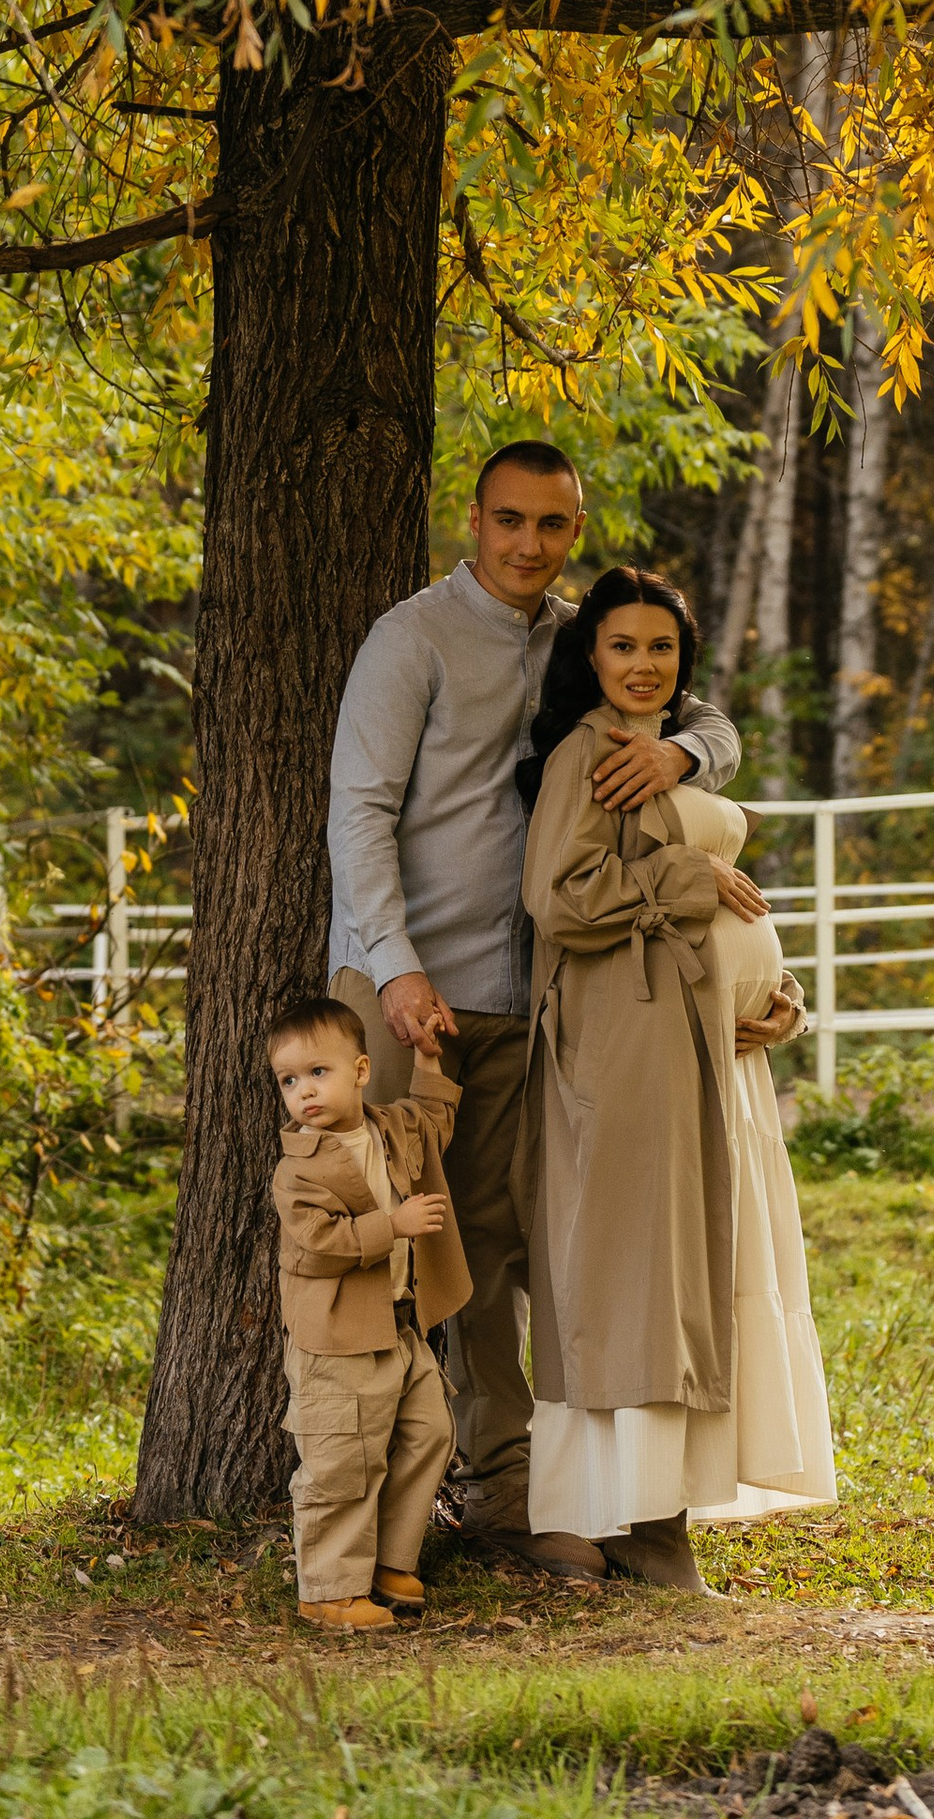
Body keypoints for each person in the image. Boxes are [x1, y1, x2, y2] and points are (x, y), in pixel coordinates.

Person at [326, 438, 804, 1583]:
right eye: (509, 522)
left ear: (573, 530)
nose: (529, 544)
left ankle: (573, 1488)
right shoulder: (413, 640)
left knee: (542, 1244)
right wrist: (395, 969)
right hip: (418, 992)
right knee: (422, 1253)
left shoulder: (579, 641)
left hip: (542, 1000)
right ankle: (431, 1501)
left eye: (552, 524)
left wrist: (686, 752)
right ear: (475, 521)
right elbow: (359, 812)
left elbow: (707, 714)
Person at [518, 563, 838, 1593]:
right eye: (622, 646)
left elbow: (727, 900)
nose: (643, 665)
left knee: (700, 1277)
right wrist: (683, 877)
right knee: (644, 1284)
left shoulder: (673, 753)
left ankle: (659, 1514)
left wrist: (777, 994)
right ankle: (639, 1529)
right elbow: (559, 898)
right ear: (590, 656)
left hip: (710, 1051)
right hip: (633, 1049)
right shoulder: (587, 757)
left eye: (662, 648)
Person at [267, 990, 471, 1635]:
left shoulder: (388, 1129)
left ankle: (388, 1563)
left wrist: (430, 1062)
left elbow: (434, 1117)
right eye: (289, 1080)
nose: (304, 1091)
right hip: (338, 1339)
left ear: (360, 1070)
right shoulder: (297, 1169)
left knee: (430, 1431)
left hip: (399, 1324)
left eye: (317, 1073)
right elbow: (320, 1245)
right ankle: (328, 1588)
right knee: (342, 1460)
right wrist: (395, 1224)